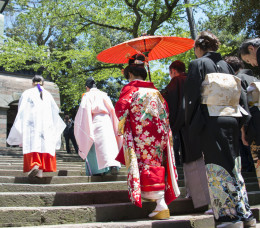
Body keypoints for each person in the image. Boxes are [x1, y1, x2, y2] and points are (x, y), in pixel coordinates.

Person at [185, 31, 256, 228]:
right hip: (232, 119)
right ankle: (245, 214)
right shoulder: (227, 66)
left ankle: (228, 217)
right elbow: (240, 93)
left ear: (199, 47)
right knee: (234, 165)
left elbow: (192, 98)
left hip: (211, 121)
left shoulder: (197, 64)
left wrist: (192, 127)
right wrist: (242, 122)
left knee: (217, 167)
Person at [115, 54, 180, 220]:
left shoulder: (130, 90)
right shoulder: (156, 92)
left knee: (142, 163)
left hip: (140, 134)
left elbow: (120, 110)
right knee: (156, 162)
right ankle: (160, 202)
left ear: (130, 74)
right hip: (158, 134)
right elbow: (166, 112)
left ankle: (160, 203)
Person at [161, 60, 210, 209]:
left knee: (192, 161)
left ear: (173, 71)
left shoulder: (177, 81)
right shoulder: (193, 78)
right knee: (200, 159)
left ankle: (201, 199)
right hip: (202, 123)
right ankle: (194, 193)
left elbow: (167, 101)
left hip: (187, 126)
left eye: (170, 73)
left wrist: (160, 94)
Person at [7, 75, 66, 178]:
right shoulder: (48, 94)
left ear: (32, 83)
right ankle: (40, 172)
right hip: (45, 125)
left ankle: (35, 165)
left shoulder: (27, 93)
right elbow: (55, 111)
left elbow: (21, 109)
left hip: (31, 125)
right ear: (43, 83)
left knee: (33, 144)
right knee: (44, 145)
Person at [74, 77, 121, 176]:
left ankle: (99, 170)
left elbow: (84, 110)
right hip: (107, 120)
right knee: (109, 144)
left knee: (95, 146)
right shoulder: (104, 95)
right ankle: (112, 166)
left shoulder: (87, 95)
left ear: (87, 87)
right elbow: (112, 110)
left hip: (95, 120)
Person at [225, 56, 260, 185]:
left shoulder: (237, 80)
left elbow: (242, 106)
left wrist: (243, 131)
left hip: (251, 126)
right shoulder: (254, 78)